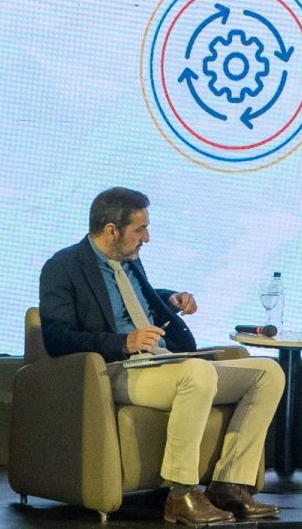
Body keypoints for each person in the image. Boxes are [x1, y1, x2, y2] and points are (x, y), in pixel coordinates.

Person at [38, 187, 285, 525]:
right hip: (116, 370)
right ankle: (181, 493)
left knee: (268, 372)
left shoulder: (128, 259)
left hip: (160, 362)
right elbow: (57, 337)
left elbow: (131, 299)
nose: (147, 238)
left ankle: (230, 485)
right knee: (197, 373)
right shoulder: (63, 267)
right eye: (140, 229)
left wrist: (169, 299)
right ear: (111, 230)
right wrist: (124, 342)